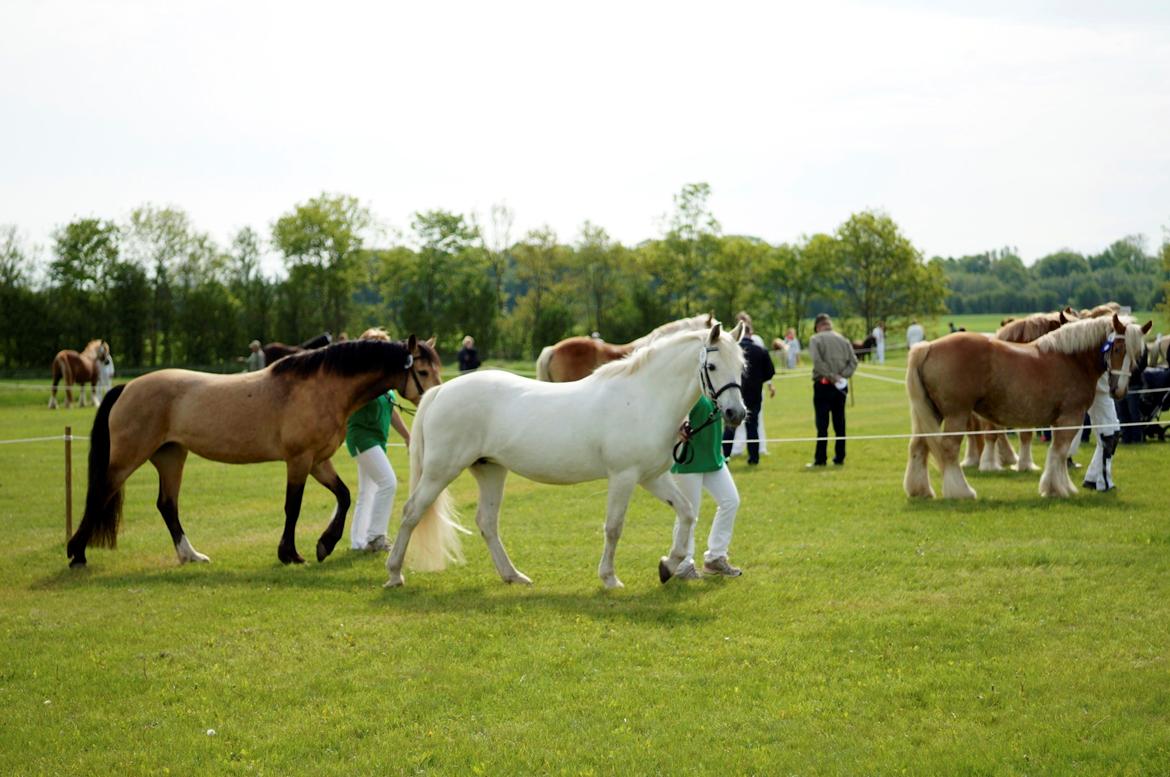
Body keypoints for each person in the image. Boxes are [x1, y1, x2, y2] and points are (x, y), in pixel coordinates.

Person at [346, 327, 412, 551]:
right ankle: (376, 537)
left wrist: (407, 436)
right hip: (362, 437)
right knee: (388, 482)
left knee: (368, 491)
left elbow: (392, 411)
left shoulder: (383, 380)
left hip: (377, 439)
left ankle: (358, 542)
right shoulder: (359, 378)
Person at [670, 395, 742, 579]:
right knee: (688, 513)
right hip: (689, 460)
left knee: (731, 501)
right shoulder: (689, 385)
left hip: (713, 457)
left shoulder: (715, 387)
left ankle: (716, 558)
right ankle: (682, 564)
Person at [807, 313, 857, 467]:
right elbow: (853, 362)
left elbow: (817, 362)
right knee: (839, 423)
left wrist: (831, 377)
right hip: (841, 387)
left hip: (823, 385)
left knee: (822, 425)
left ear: (817, 326)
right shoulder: (843, 340)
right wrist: (842, 377)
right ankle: (840, 456)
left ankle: (820, 458)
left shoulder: (815, 339)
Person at [723, 324, 775, 466]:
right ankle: (753, 458)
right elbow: (770, 372)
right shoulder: (761, 351)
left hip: (734, 393)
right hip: (754, 394)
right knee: (753, 426)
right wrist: (758, 381)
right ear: (751, 334)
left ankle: (725, 457)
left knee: (729, 427)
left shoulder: (732, 351)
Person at [1082, 373, 1121, 492]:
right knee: (1108, 436)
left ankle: (1092, 477)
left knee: (1112, 433)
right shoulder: (1104, 352)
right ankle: (1104, 482)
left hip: (1104, 391)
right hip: (1099, 391)